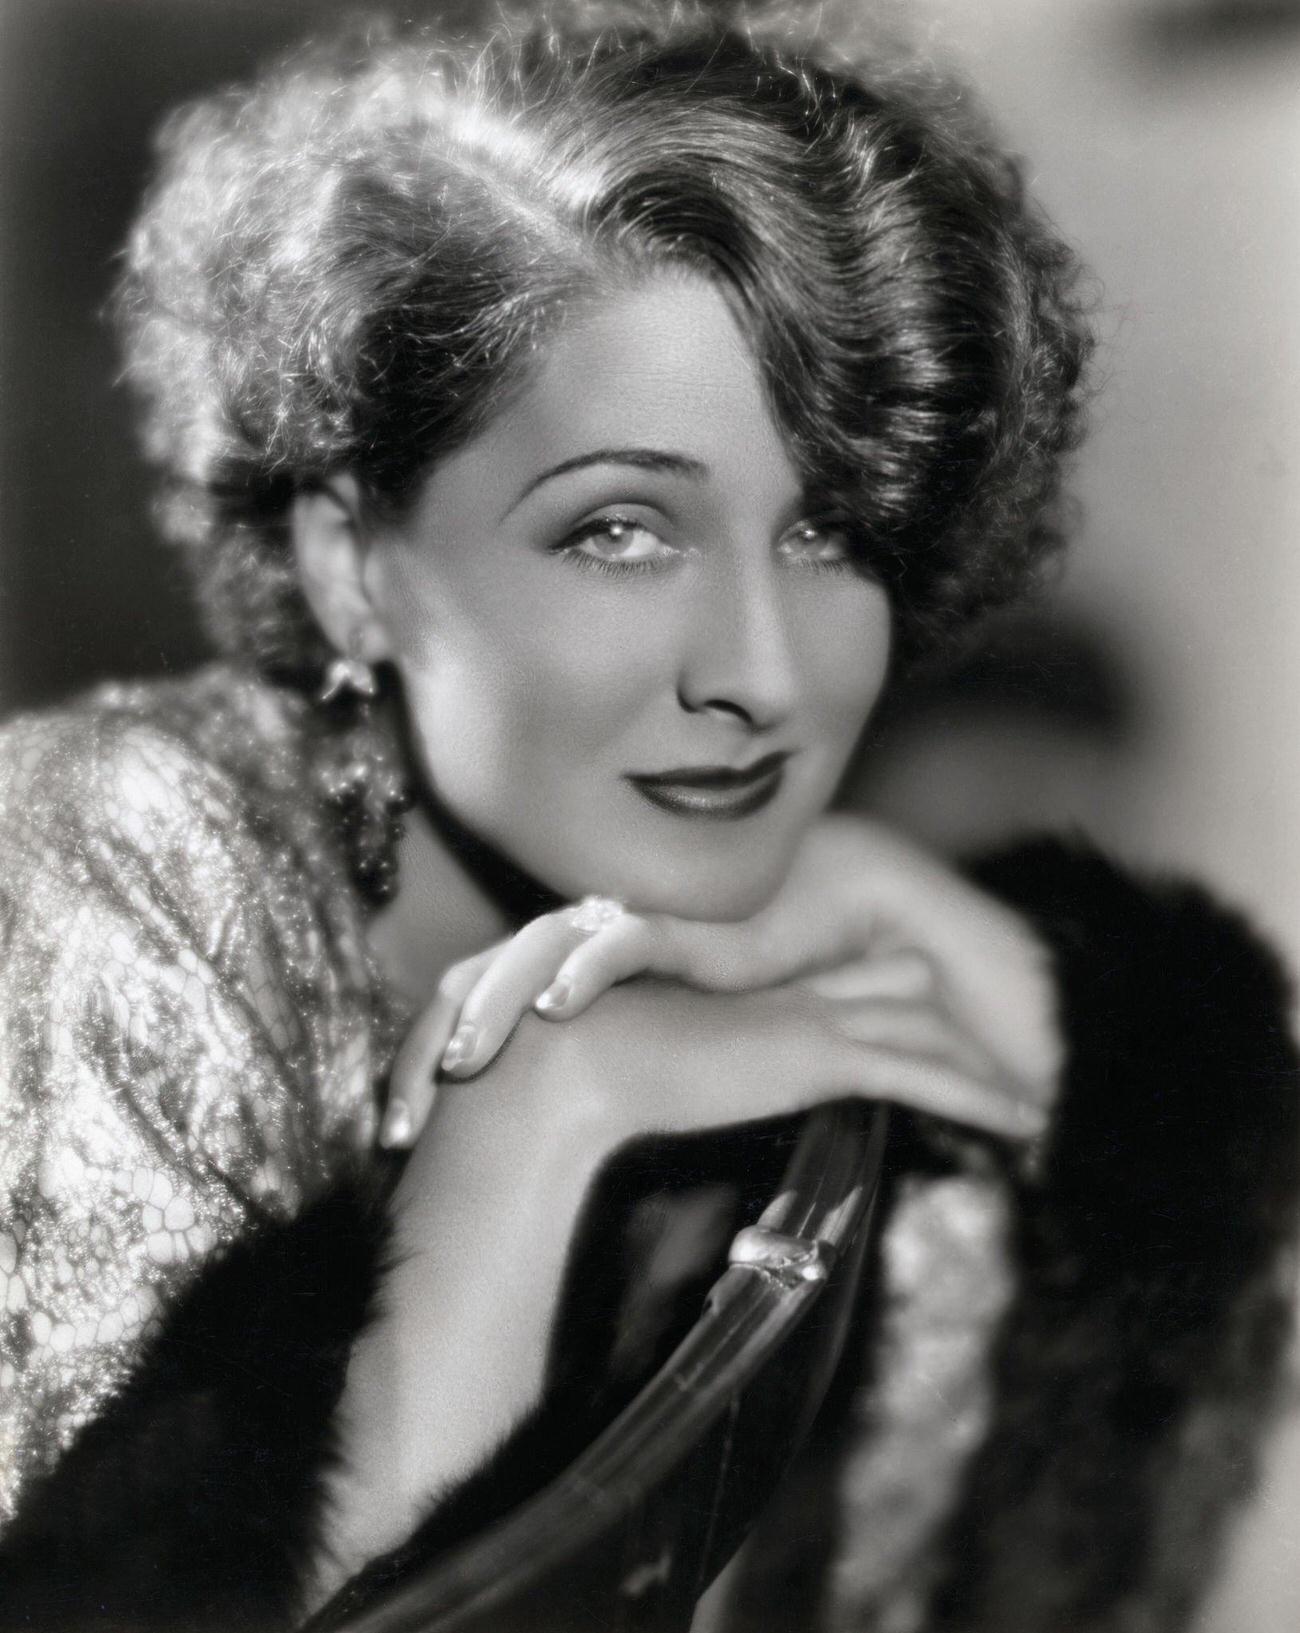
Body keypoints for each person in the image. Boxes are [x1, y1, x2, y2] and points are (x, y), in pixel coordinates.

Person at [0, 2, 1294, 1628]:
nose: (760, 674)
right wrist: (534, 1128)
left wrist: (994, 964)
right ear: (351, 562)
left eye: (829, 533)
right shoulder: (105, 860)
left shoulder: (758, 911)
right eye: (620, 529)